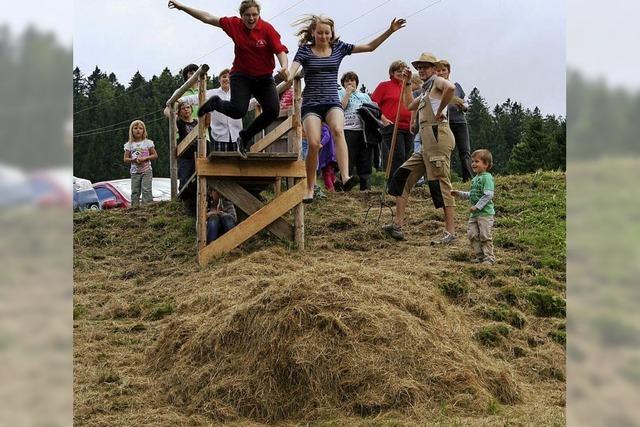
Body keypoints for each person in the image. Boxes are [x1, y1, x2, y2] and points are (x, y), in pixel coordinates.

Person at [288, 14, 406, 202]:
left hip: (332, 101)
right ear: (313, 32)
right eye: (320, 33)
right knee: (313, 143)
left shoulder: (339, 48)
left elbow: (369, 47)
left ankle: (345, 176)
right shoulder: (304, 51)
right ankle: (309, 188)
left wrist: (390, 31)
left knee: (337, 129)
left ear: (331, 33)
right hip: (311, 103)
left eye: (327, 33)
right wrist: (285, 73)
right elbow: (291, 72)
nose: (324, 36)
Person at [168, 0, 289, 159]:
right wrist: (182, 7)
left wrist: (284, 66)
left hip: (264, 78)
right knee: (238, 110)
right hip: (242, 76)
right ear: (241, 15)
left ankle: (244, 136)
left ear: (259, 14)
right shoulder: (234, 24)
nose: (251, 19)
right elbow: (208, 18)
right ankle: (216, 102)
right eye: (247, 15)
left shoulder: (266, 29)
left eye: (255, 15)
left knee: (273, 110)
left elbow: (280, 50)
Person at [382, 52, 457, 243]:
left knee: (440, 182)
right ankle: (397, 225)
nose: (421, 70)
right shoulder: (426, 89)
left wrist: (439, 111)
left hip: (437, 136)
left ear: (433, 68)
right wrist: (407, 83)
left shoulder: (438, 82)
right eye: (419, 67)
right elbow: (408, 105)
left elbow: (450, 88)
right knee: (402, 176)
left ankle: (450, 232)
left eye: (425, 67)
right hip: (426, 141)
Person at [452, 149, 495, 264]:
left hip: (485, 214)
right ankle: (479, 256)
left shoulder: (487, 178)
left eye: (477, 161)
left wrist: (477, 207)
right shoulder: (475, 179)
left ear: (486, 164)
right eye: (472, 161)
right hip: (474, 214)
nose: (473, 164)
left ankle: (489, 257)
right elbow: (472, 195)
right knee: (472, 234)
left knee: (485, 235)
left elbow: (488, 195)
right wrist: (459, 194)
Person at [371, 60, 414, 178]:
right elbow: (373, 105)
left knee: (406, 157)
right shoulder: (384, 86)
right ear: (392, 73)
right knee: (397, 156)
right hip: (392, 126)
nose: (401, 73)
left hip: (408, 127)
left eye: (403, 71)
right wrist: (383, 119)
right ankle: (393, 185)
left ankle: (402, 185)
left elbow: (412, 105)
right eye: (398, 71)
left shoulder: (408, 87)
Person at [438, 59, 474, 181]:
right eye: (439, 70)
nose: (441, 72)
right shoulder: (435, 88)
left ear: (449, 72)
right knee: (445, 153)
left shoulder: (456, 86)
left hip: (460, 121)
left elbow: (466, 104)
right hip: (443, 123)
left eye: (444, 70)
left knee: (465, 151)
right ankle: (445, 179)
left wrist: (463, 106)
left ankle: (468, 179)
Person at [338, 71, 375, 191]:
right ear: (343, 84)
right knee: (348, 159)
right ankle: (345, 186)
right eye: (347, 80)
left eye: (352, 80)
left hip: (364, 131)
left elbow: (373, 111)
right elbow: (340, 107)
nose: (350, 82)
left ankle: (366, 188)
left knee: (365, 159)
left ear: (356, 82)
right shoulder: (340, 93)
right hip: (347, 129)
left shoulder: (364, 96)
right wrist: (347, 94)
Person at [123, 120, 158, 208]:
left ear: (144, 130)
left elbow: (155, 155)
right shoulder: (129, 145)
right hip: (135, 172)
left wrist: (145, 158)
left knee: (146, 189)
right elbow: (125, 159)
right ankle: (135, 208)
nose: (138, 130)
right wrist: (133, 160)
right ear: (131, 131)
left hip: (146, 170)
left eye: (140, 128)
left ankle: (147, 207)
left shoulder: (148, 143)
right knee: (135, 191)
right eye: (135, 128)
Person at [208, 68, 243, 153]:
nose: (227, 79)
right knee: (221, 164)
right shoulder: (212, 94)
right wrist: (181, 100)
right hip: (220, 136)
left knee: (237, 164)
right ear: (219, 80)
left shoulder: (238, 94)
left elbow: (247, 105)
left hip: (236, 136)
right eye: (224, 77)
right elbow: (197, 97)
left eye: (229, 77)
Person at [176, 102, 198, 214]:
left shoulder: (197, 122)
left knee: (196, 180)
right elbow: (168, 113)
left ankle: (194, 203)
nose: (186, 110)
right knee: (184, 179)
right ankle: (182, 203)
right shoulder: (179, 123)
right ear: (179, 111)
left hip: (197, 154)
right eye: (183, 108)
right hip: (185, 155)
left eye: (188, 107)